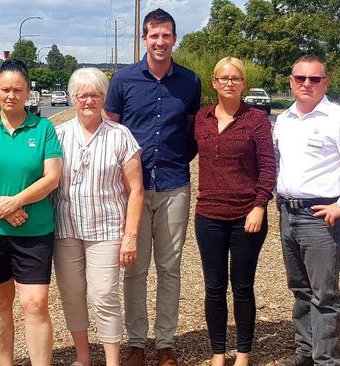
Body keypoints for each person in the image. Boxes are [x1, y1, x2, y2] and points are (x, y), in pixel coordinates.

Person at [104, 8, 202, 366]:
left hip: (175, 183)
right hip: (133, 190)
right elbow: (110, 132)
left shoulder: (190, 82)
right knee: (135, 267)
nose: (160, 42)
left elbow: (192, 131)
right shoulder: (123, 80)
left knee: (170, 266)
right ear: (144, 39)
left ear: (174, 39)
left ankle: (165, 342)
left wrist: (178, 158)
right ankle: (135, 342)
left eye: (166, 35)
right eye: (153, 35)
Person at [274, 55, 340, 366]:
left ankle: (325, 360)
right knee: (301, 290)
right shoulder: (285, 119)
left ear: (326, 82)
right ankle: (305, 353)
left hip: (319, 216)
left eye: (314, 79)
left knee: (324, 294)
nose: (306, 84)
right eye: (300, 78)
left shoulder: (339, 119)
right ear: (291, 81)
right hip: (288, 213)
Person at [0, 59, 63, 366]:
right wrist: (3, 208)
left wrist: (16, 202)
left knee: (35, 304)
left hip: (34, 229)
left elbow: (51, 178)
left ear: (28, 92)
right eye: (5, 89)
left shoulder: (43, 128)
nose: (11, 95)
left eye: (17, 90)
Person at [53, 67, 144, 366]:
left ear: (104, 97)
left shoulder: (121, 136)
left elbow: (136, 190)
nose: (88, 101)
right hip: (66, 228)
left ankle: (112, 360)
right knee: (72, 294)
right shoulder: (59, 134)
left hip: (106, 229)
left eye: (95, 95)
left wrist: (130, 236)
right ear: (73, 98)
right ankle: (83, 357)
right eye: (82, 95)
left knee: (104, 295)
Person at [194, 57, 276, 366]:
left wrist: (259, 205)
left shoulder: (255, 120)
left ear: (243, 84)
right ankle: (218, 352)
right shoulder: (201, 119)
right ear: (214, 82)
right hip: (209, 216)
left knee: (242, 286)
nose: (230, 82)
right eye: (224, 78)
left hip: (247, 216)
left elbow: (269, 166)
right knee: (214, 287)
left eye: (236, 78)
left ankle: (243, 353)